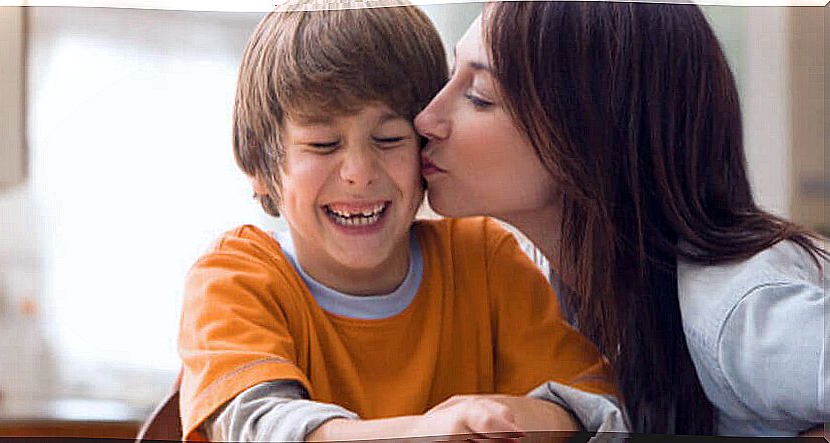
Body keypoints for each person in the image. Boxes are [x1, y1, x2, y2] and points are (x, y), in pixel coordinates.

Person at [177, 1, 626, 441]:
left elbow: (591, 407)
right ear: (259, 168)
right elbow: (258, 427)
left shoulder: (484, 259)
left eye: (390, 138)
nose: (359, 172)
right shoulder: (236, 278)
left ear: (425, 148)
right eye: (323, 144)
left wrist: (500, 420)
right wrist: (427, 430)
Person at [415, 1, 828, 437]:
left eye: (479, 96)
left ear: (587, 131)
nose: (427, 119)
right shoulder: (542, 283)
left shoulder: (737, 313)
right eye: (450, 76)